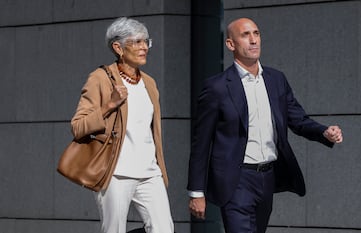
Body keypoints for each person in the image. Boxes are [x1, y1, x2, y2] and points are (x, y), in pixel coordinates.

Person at [187, 17, 343, 233]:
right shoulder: (217, 88)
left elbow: (297, 119)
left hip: (267, 177)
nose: (253, 40)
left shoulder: (276, 79)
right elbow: (201, 143)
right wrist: (196, 191)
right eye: (245, 35)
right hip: (236, 180)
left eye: (256, 33)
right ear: (230, 44)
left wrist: (324, 132)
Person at [71, 17, 174, 233]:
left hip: (149, 172)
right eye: (137, 42)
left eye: (147, 41)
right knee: (113, 230)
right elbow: (78, 126)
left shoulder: (149, 82)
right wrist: (109, 104)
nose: (144, 47)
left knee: (164, 228)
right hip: (115, 172)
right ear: (118, 47)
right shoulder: (99, 79)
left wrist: (159, 167)